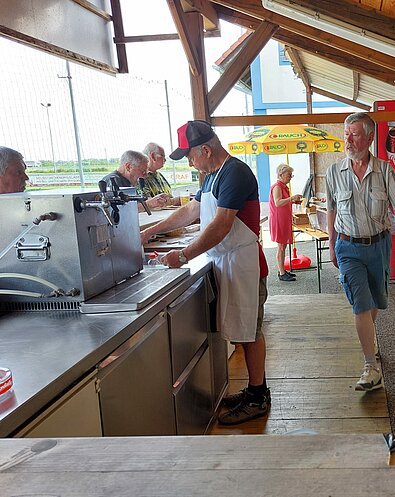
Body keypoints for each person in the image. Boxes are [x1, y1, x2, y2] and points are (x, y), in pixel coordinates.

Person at [140, 120, 270, 425]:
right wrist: (151, 231)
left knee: (250, 332)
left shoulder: (234, 172)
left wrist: (183, 255)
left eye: (189, 155)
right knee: (242, 331)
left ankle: (259, 397)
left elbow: (221, 225)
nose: (189, 162)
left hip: (244, 264)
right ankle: (254, 389)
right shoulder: (211, 177)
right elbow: (190, 211)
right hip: (227, 262)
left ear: (206, 150)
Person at [325, 112, 395, 392]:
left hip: (379, 245)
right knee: (361, 304)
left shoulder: (385, 171)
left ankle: (368, 337)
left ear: (370, 137)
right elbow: (331, 210)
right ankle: (370, 366)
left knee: (376, 301)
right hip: (348, 246)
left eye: (354, 134)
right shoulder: (333, 173)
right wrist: (331, 243)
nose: (348, 140)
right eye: (346, 134)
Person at [102, 150, 169, 211]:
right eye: (143, 171)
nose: (145, 175)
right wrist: (149, 204)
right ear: (128, 167)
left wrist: (154, 200)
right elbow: (119, 210)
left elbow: (135, 203)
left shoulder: (131, 182)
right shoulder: (113, 182)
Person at [269, 163, 302, 282]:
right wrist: (291, 198)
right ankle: (282, 272)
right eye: (289, 175)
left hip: (283, 219)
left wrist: (293, 202)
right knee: (281, 246)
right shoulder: (277, 187)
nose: (290, 177)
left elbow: (283, 202)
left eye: (291, 175)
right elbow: (278, 202)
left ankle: (282, 269)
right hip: (278, 220)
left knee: (283, 245)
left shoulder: (282, 186)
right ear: (281, 174)